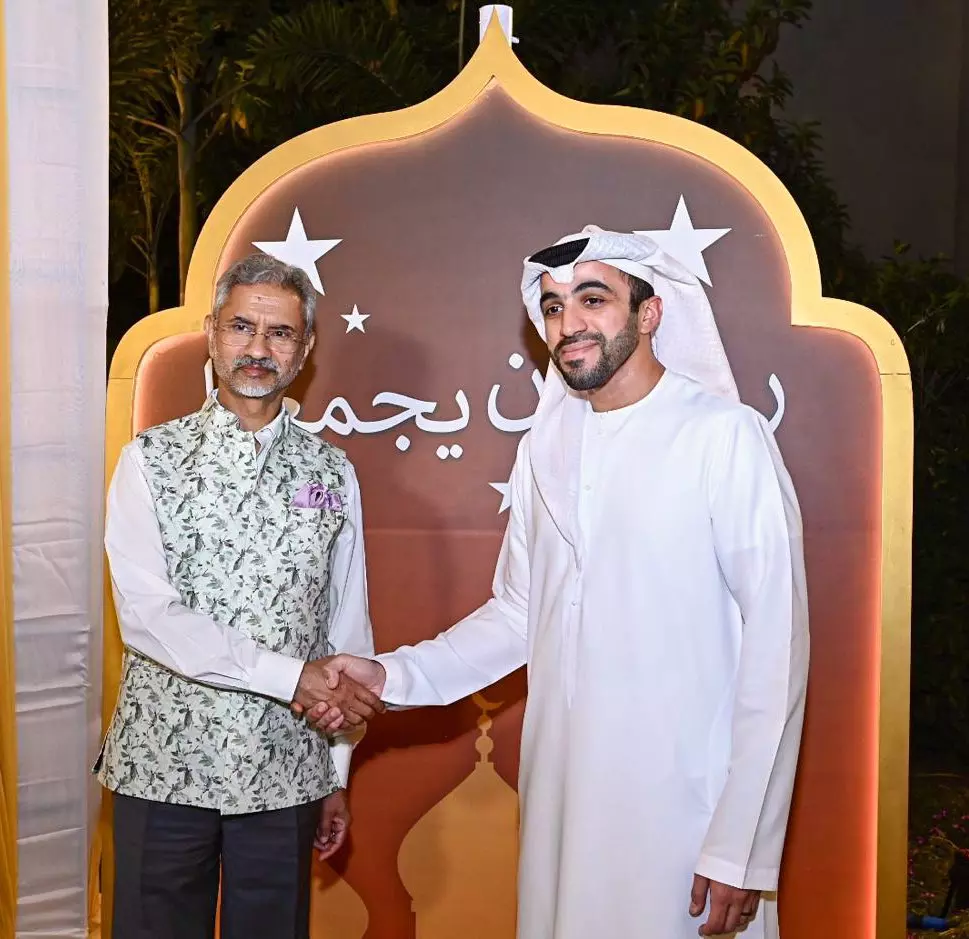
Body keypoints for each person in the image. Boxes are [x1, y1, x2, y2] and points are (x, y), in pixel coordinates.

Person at [306, 227, 809, 939]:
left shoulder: (724, 437)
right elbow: (519, 613)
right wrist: (392, 675)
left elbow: (776, 648)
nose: (568, 322)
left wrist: (739, 846)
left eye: (592, 300)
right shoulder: (544, 447)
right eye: (552, 307)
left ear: (649, 313)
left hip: (685, 812)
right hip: (563, 806)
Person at [95, 253, 384, 939]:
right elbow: (147, 618)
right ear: (212, 333)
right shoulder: (150, 460)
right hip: (163, 767)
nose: (258, 348)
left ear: (305, 349)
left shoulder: (331, 471)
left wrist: (335, 769)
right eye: (241, 327)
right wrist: (289, 676)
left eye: (280, 333)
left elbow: (346, 626)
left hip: (285, 771)